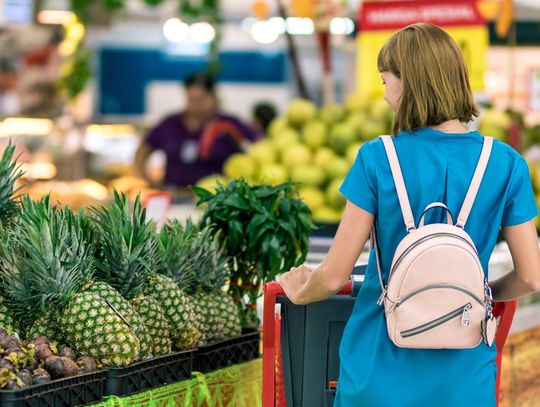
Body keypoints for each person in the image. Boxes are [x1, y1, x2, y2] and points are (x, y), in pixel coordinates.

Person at [277, 23, 540, 406]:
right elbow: (532, 276)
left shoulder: (377, 159)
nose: (384, 96)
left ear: (408, 83)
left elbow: (333, 275)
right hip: (465, 377)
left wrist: (299, 289)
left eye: (385, 81)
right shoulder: (505, 163)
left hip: (378, 370)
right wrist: (479, 295)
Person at [134, 71, 258, 188]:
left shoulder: (228, 124)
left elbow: (258, 147)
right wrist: (149, 182)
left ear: (213, 97)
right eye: (191, 98)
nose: (195, 104)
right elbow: (142, 152)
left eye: (200, 99)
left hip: (217, 199)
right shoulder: (170, 123)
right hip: (174, 196)